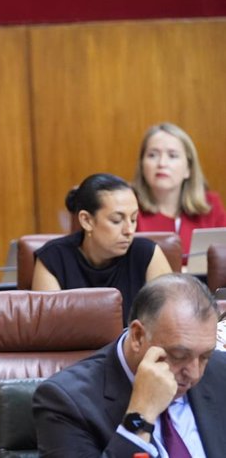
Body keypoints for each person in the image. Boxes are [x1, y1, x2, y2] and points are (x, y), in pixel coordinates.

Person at [33, 273, 226, 457]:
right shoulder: (65, 401)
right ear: (138, 336)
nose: (194, 373)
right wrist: (140, 414)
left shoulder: (220, 371)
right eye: (178, 355)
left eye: (204, 356)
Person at [32, 173, 172, 324]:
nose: (129, 230)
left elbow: (171, 320)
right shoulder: (53, 259)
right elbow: (49, 330)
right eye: (116, 220)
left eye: (133, 219)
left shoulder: (147, 255)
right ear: (86, 220)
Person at [133, 122, 226, 262]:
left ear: (188, 168)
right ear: (142, 165)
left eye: (172, 155)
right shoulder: (129, 206)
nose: (162, 163)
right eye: (152, 155)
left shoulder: (211, 204)